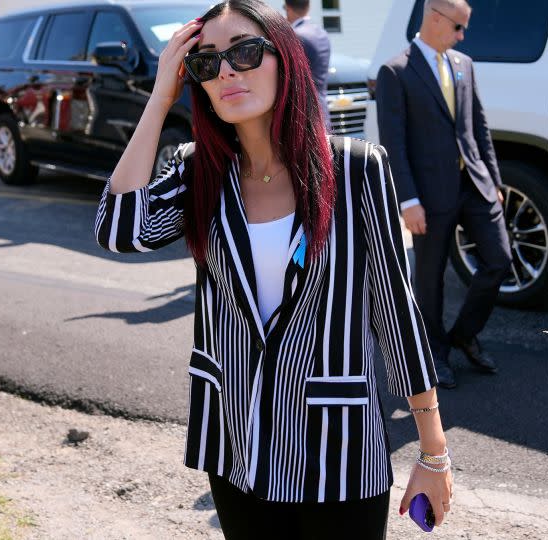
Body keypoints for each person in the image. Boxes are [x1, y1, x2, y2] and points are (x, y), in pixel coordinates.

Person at [93, 1, 452, 538]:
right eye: (207, 63)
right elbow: (120, 229)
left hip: (339, 451)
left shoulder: (355, 169)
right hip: (238, 448)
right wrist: (161, 95)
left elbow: (394, 312)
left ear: (285, 58)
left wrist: (433, 452)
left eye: (244, 50)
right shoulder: (200, 172)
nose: (228, 70)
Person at [376, 0, 511, 388]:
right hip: (428, 196)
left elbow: (478, 127)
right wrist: (408, 200)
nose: (462, 36)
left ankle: (464, 334)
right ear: (436, 18)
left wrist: (495, 182)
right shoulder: (395, 71)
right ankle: (434, 354)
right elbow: (393, 143)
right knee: (430, 279)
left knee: (499, 260)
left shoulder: (464, 64)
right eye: (458, 27)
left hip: (475, 186)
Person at [283, 0, 331, 130]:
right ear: (308, 6)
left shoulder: (296, 35)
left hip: (303, 114)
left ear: (288, 8)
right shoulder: (322, 33)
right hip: (322, 109)